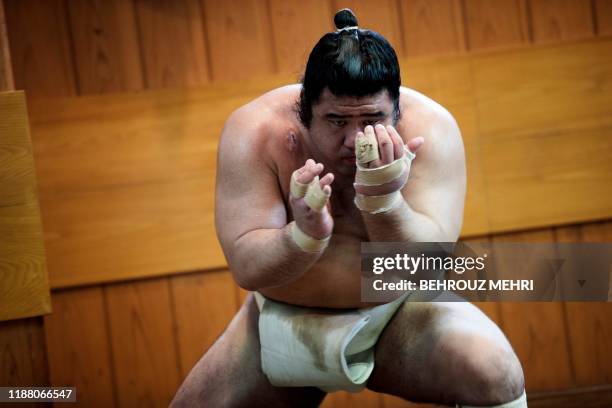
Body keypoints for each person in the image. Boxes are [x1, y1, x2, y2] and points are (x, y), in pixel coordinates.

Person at [171, 9, 526, 408]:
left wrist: (383, 199)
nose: (355, 140)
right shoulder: (254, 132)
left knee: (496, 373)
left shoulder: (432, 128)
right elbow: (247, 268)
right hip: (277, 321)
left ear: (397, 110)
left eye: (373, 119)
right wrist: (302, 235)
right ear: (303, 112)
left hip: (398, 313)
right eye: (336, 121)